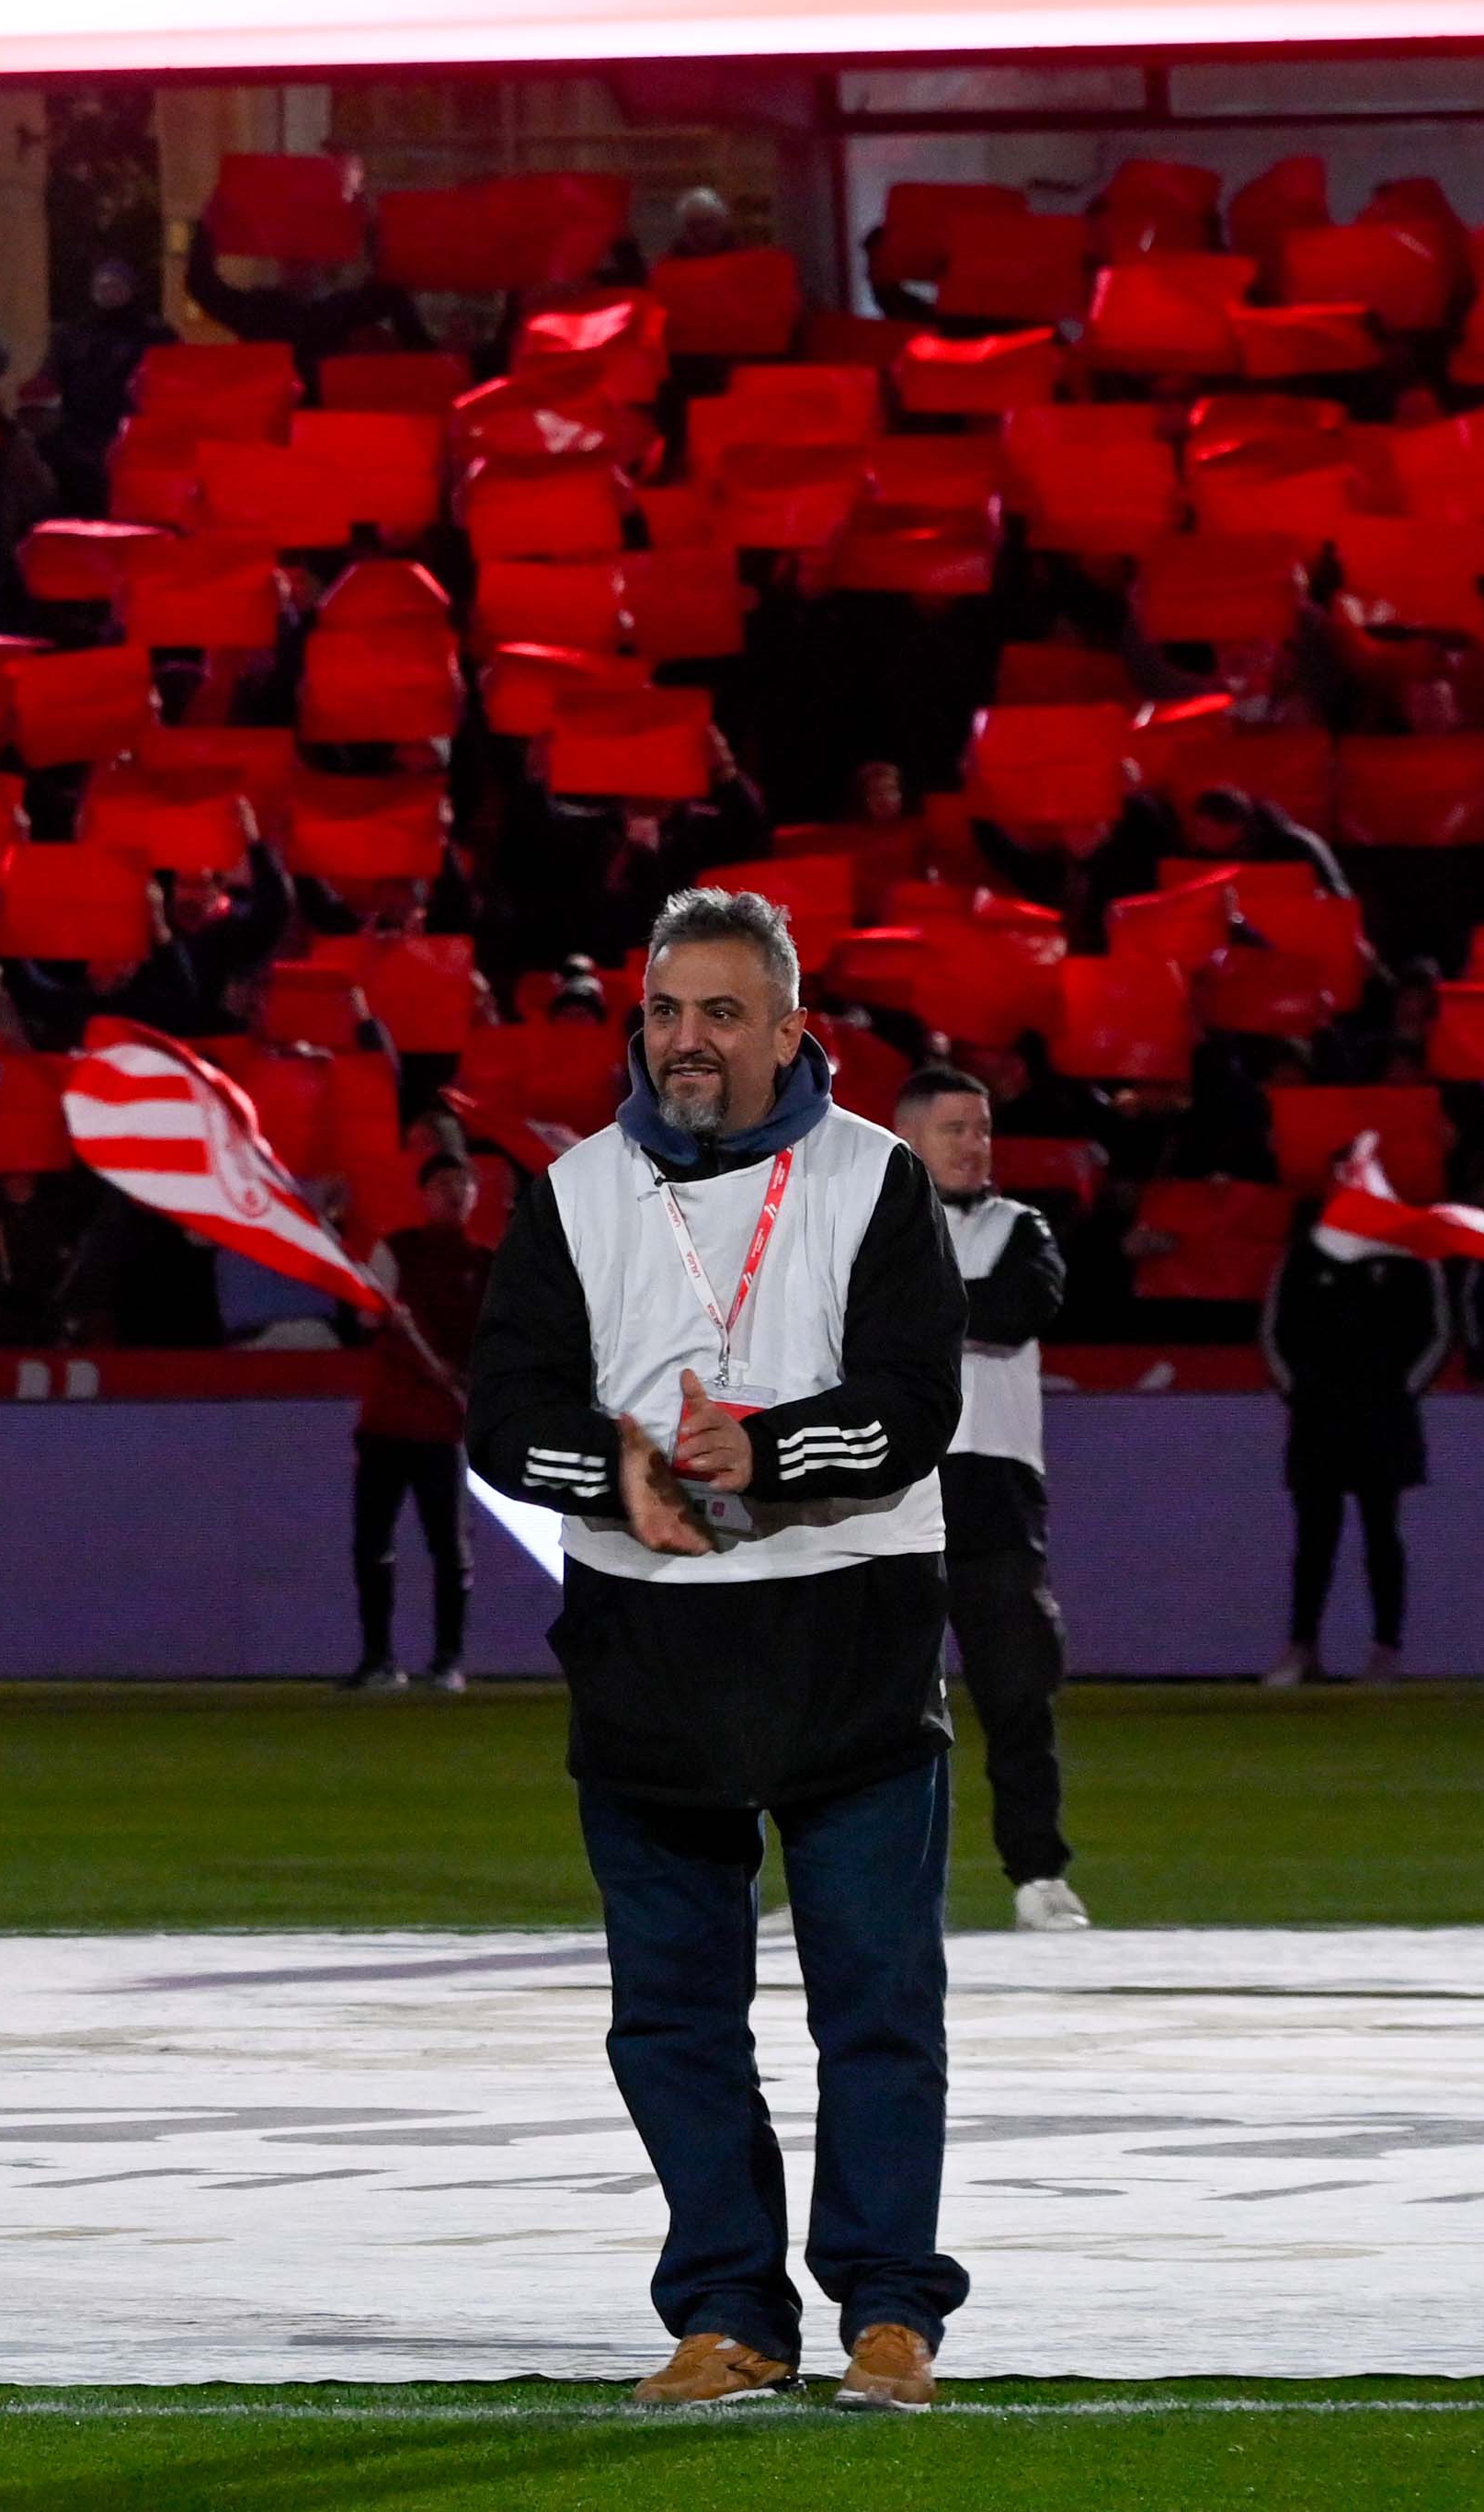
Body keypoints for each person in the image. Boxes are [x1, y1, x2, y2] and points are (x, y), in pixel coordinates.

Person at [470, 891, 972, 2414]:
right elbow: (503, 1412)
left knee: (876, 2001)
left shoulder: (876, 1175)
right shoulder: (567, 1190)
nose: (688, 1038)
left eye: (723, 1010)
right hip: (646, 1647)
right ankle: (728, 2310)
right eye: (666, 1009)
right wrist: (619, 1468)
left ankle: (888, 2308)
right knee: (671, 2014)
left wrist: (760, 1449)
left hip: (850, 1644)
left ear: (790, 1028)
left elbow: (913, 1402)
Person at [897, 1072, 1084, 1922]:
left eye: (982, 1129)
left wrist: (895, 1317)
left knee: (1017, 1696)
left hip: (995, 1491)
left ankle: (1039, 1876)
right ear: (910, 1140)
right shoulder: (865, 1230)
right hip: (887, 1487)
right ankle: (859, 1889)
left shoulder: (1022, 1227)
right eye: (955, 1129)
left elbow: (1017, 1310)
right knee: (874, 1710)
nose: (976, 1144)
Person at [1264, 1192, 1438, 1683]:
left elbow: (1435, 1331)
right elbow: (1275, 1331)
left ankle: (1386, 1649)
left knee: (1382, 1533)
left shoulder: (1409, 1256)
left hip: (1382, 1417)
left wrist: (1400, 1391)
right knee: (1314, 1536)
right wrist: (1298, 1390)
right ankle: (1302, 1648)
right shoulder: (1302, 1257)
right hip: (1318, 1416)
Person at [348, 1168, 481, 1695]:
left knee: (449, 1548)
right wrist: (385, 1313)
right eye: (444, 1184)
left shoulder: (484, 1264)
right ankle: (377, 1659)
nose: (455, 1193)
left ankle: (448, 1661)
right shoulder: (396, 1251)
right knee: (371, 1544)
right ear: (423, 1194)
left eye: (464, 1184)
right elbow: (366, 1317)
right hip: (385, 1423)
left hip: (442, 1429)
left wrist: (466, 1378)